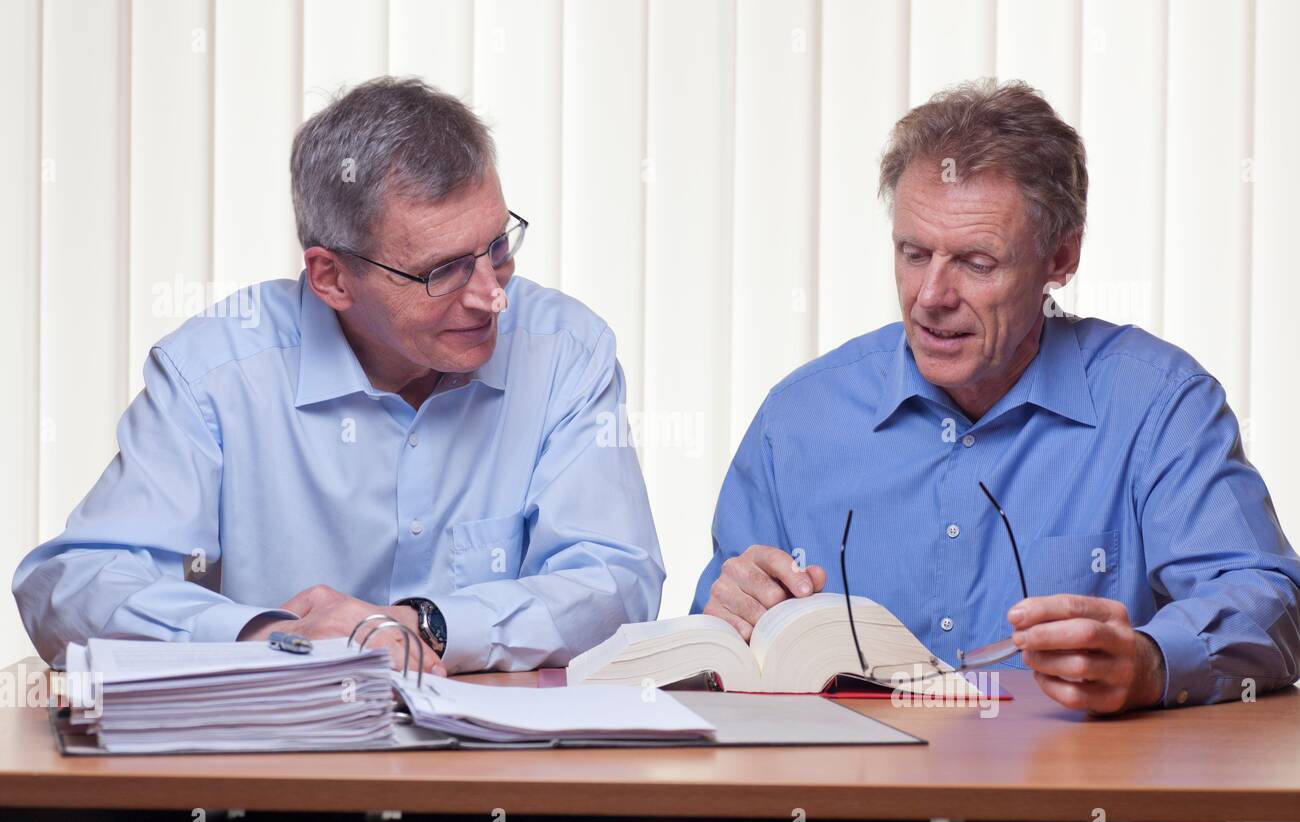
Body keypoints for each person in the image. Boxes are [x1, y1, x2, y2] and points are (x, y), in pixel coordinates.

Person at [14, 77, 664, 676]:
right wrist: (272, 638)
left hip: (504, 777)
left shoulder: (565, 352)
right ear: (330, 277)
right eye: (444, 271)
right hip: (273, 781)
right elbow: (73, 587)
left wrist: (423, 627)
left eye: (497, 248)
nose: (491, 295)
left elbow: (617, 583)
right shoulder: (214, 375)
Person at [693, 79, 1299, 715]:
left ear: (1060, 257)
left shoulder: (1159, 404)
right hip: (845, 798)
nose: (931, 295)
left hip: (1071, 799)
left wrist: (1150, 662)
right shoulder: (799, 416)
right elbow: (713, 650)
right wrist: (728, 616)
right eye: (913, 253)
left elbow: (1267, 603)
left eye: (976, 262)